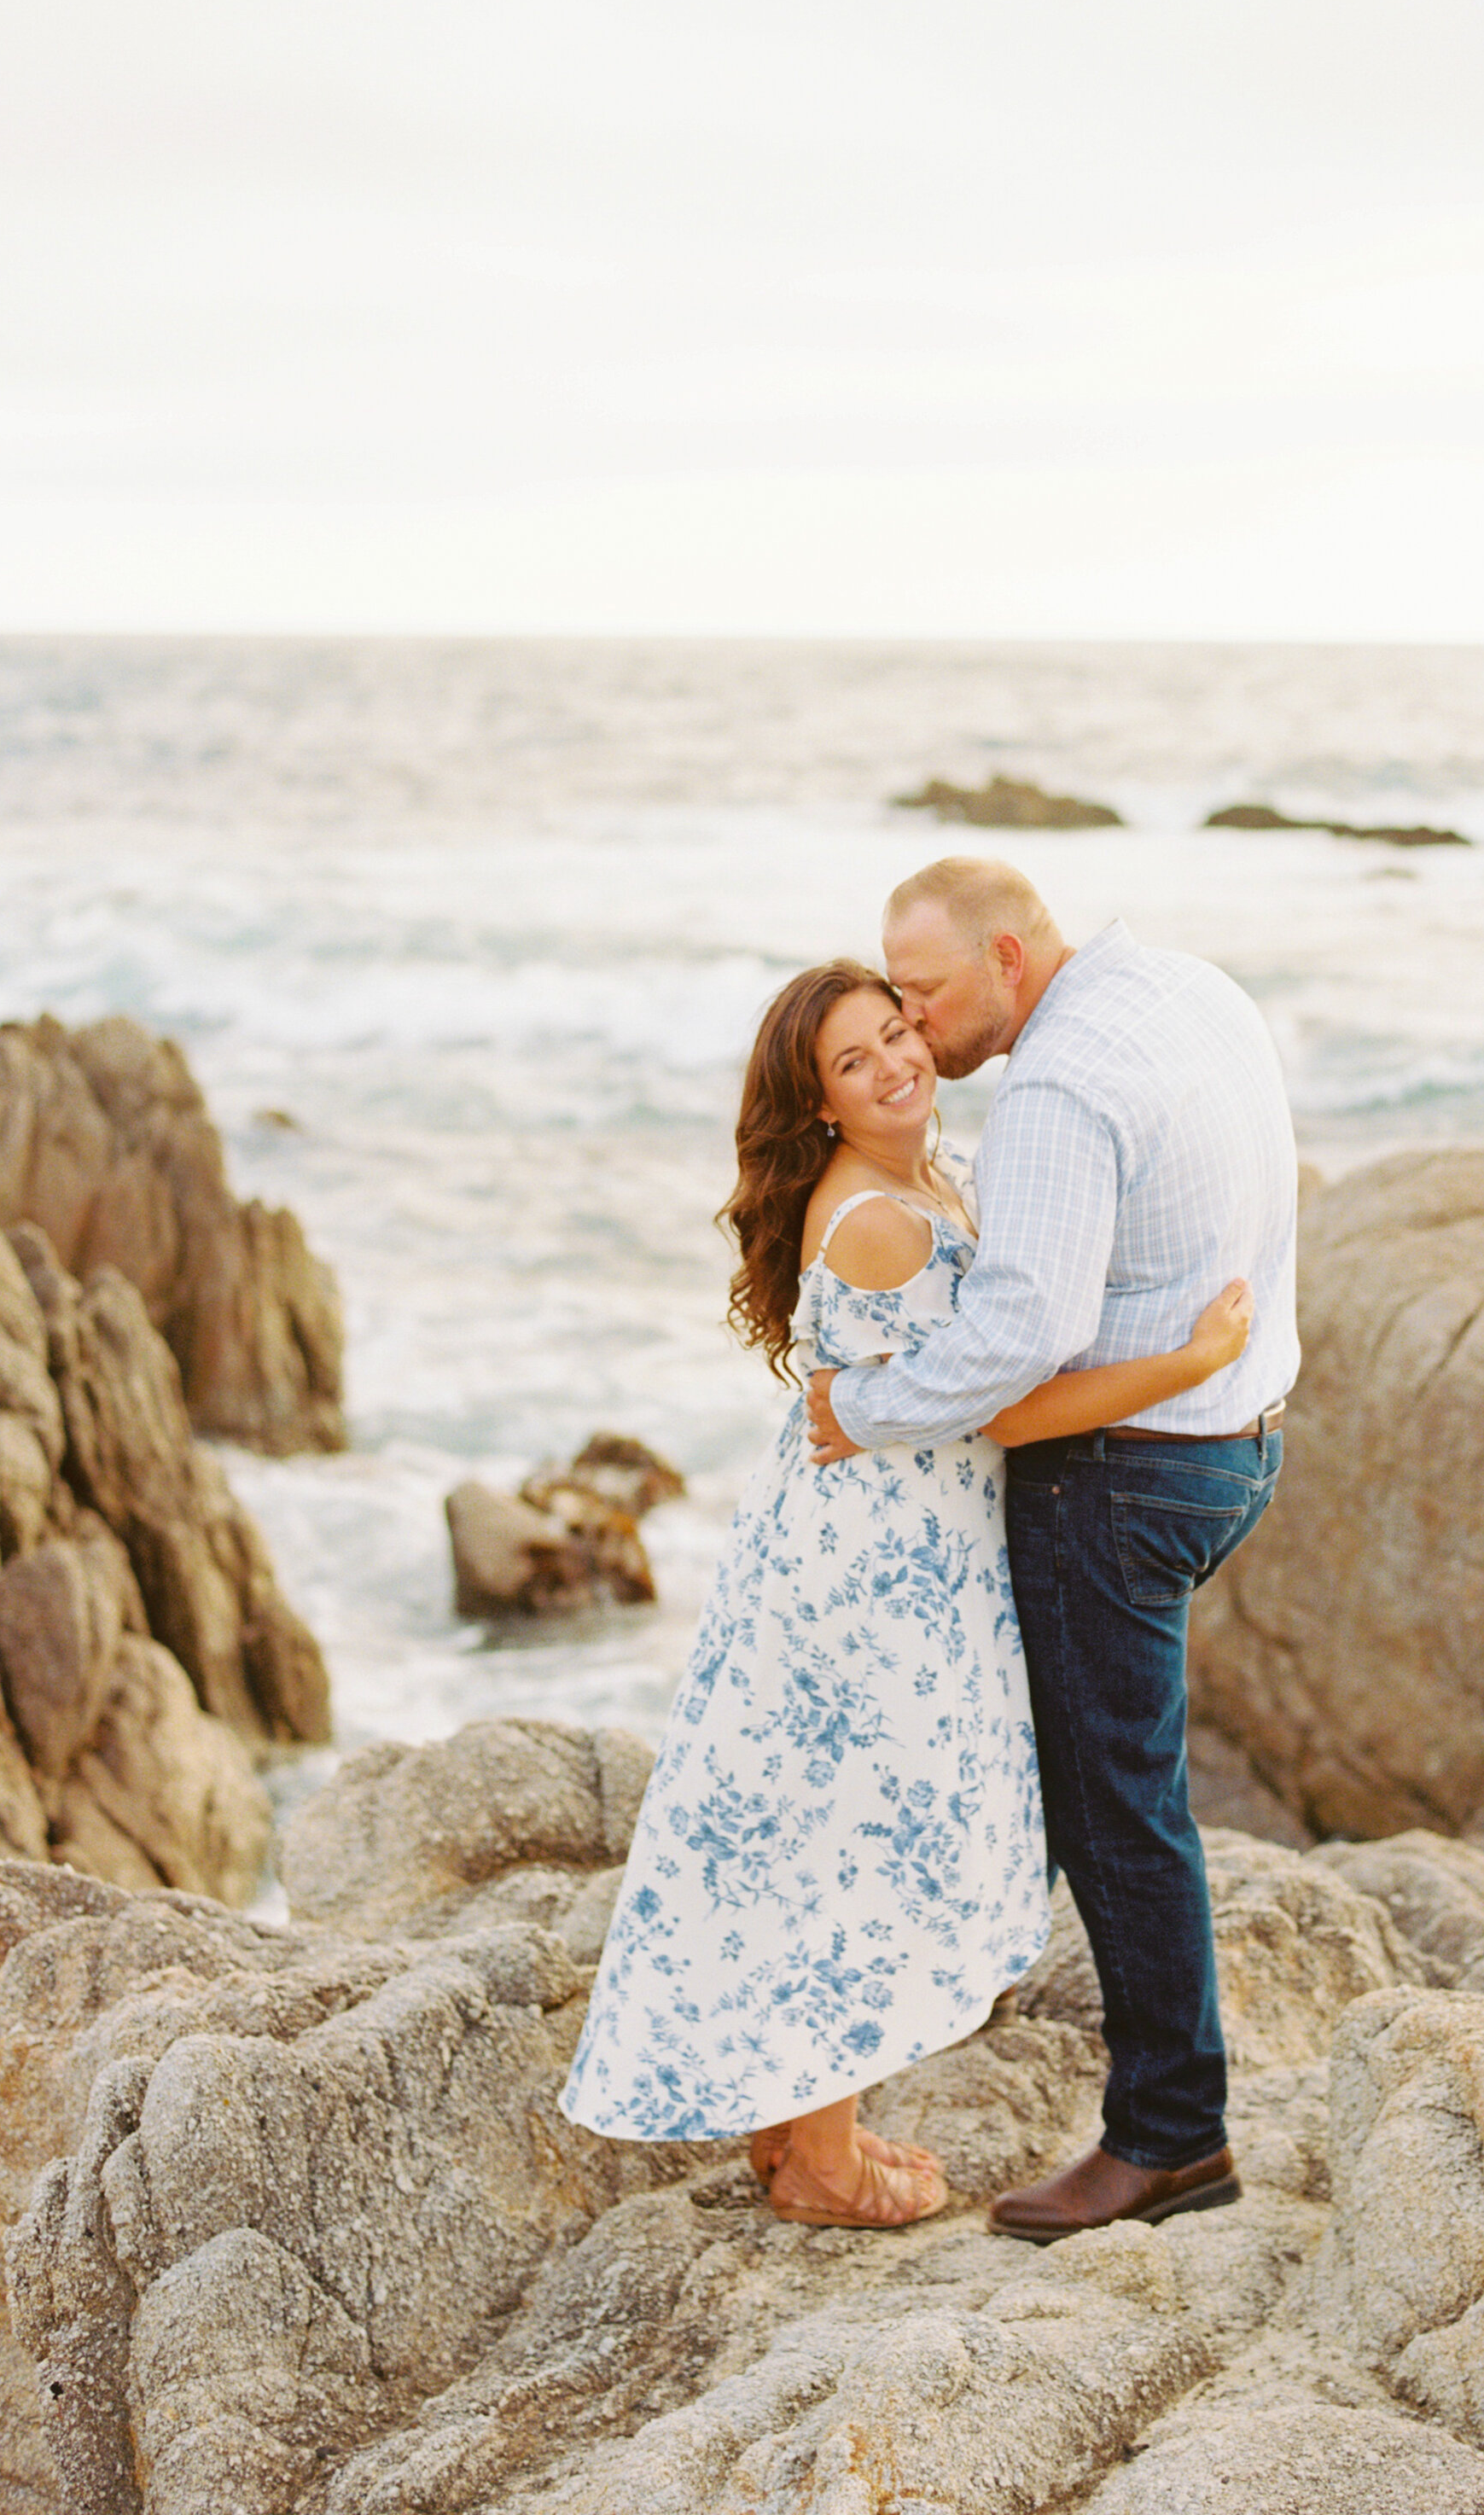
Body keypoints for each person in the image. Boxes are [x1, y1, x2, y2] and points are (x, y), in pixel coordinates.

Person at [560, 959, 1254, 2231]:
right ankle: (820, 2162)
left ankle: (797, 2130)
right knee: (848, 1836)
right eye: (855, 1064)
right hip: (878, 1567)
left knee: (818, 1818)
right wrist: (1190, 1361)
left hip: (868, 1537)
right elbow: (1001, 1406)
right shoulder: (882, 1218)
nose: (896, 1068)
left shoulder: (923, 1179)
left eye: (897, 1034)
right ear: (818, 1104)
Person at [806, 861, 1299, 2242]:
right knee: (1110, 1782)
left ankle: (1169, 2138)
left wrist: (865, 1407)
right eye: (889, 996)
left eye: (926, 991)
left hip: (1124, 1482)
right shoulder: (1188, 990)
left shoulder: (1053, 1089)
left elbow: (1024, 1329)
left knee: (1115, 1807)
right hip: (1241, 1436)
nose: (913, 1022)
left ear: (1010, 957)